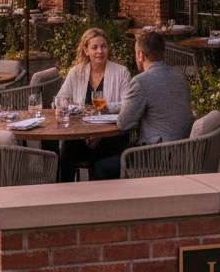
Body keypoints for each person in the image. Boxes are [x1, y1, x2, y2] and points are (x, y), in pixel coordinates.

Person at [91, 30, 193, 181]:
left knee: (100, 166)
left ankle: (111, 204)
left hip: (157, 154)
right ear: (162, 53)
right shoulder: (179, 77)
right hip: (183, 151)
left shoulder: (141, 81)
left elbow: (124, 123)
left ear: (140, 55)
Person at [55, 29, 131, 182]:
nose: (100, 51)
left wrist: (106, 106)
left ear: (108, 48)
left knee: (99, 156)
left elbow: (128, 105)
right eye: (94, 47)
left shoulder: (121, 72)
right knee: (66, 151)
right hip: (81, 134)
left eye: (104, 46)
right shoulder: (76, 72)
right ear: (86, 51)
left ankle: (95, 197)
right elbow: (60, 98)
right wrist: (65, 106)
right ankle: (64, 194)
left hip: (110, 134)